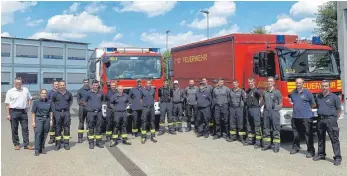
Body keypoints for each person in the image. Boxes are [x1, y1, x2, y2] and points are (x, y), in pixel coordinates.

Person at [313, 80, 342, 166]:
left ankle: (337, 158)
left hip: (331, 120)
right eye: (323, 86)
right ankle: (321, 154)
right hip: (321, 120)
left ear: (329, 87)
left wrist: (334, 119)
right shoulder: (318, 96)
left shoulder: (334, 97)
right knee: (321, 138)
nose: (324, 88)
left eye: (326, 86)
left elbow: (339, 110)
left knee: (334, 139)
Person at [288, 78, 315, 158]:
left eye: (300, 83)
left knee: (308, 134)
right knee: (296, 134)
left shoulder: (307, 93)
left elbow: (313, 104)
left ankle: (310, 151)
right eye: (297, 83)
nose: (298, 84)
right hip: (295, 116)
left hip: (306, 117)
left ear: (303, 83)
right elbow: (293, 102)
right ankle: (296, 147)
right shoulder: (293, 93)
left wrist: (306, 111)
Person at [4, 77, 34, 150]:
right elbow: (7, 104)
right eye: (17, 83)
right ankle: (16, 144)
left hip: (23, 112)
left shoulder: (25, 90)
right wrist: (8, 114)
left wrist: (28, 107)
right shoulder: (10, 91)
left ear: (22, 83)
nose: (18, 84)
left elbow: (30, 99)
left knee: (25, 128)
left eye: (20, 83)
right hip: (13, 112)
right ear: (14, 83)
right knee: (14, 128)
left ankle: (26, 144)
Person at [261, 77, 282, 153]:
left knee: (275, 129)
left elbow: (281, 103)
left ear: (274, 83)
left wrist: (276, 110)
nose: (269, 82)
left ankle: (276, 146)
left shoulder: (277, 92)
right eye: (268, 81)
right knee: (266, 129)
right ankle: (267, 145)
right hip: (266, 112)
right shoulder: (264, 92)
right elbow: (262, 102)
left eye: (271, 81)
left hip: (274, 112)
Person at [51, 80, 73, 150]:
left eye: (63, 85)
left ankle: (66, 144)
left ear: (65, 85)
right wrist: (55, 112)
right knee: (58, 128)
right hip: (58, 113)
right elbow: (52, 103)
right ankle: (58, 144)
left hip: (66, 113)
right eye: (61, 85)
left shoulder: (69, 93)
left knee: (67, 128)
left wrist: (67, 107)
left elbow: (71, 101)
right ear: (59, 86)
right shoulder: (55, 94)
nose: (62, 86)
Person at [83, 80, 105, 149]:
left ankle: (98, 142)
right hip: (91, 113)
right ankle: (91, 143)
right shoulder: (88, 93)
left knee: (99, 128)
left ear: (98, 85)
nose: (95, 86)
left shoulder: (101, 93)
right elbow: (83, 102)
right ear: (92, 85)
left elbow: (103, 100)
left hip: (99, 113)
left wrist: (101, 106)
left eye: (96, 85)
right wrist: (88, 108)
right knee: (91, 128)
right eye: (94, 85)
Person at [31, 89, 53, 156]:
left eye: (45, 93)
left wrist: (51, 120)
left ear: (46, 94)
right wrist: (33, 121)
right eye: (42, 93)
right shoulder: (36, 102)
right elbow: (33, 112)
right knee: (38, 134)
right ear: (40, 94)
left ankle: (42, 148)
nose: (44, 94)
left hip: (47, 119)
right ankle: (37, 149)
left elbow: (51, 111)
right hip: (39, 119)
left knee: (45, 134)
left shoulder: (49, 102)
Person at [245, 77, 263, 148]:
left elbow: (262, 97)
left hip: (255, 109)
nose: (250, 83)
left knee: (257, 126)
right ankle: (251, 140)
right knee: (249, 125)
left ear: (254, 82)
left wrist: (259, 106)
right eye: (249, 82)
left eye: (251, 82)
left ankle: (258, 142)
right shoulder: (248, 90)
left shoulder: (257, 90)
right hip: (249, 109)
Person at [228, 79, 247, 144]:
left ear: (238, 84)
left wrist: (242, 106)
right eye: (233, 83)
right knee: (232, 123)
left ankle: (241, 138)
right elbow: (229, 99)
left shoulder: (241, 91)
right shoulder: (231, 91)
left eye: (236, 83)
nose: (235, 85)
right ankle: (233, 137)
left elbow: (245, 100)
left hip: (239, 109)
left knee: (240, 123)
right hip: (232, 109)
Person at [140, 80, 157, 144]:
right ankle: (143, 137)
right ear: (145, 84)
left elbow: (153, 98)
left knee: (152, 122)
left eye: (149, 83)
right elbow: (140, 99)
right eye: (147, 83)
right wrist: (144, 105)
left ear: (150, 84)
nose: (148, 84)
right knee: (144, 122)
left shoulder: (153, 90)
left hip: (151, 108)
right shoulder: (143, 90)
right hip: (145, 108)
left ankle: (153, 136)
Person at [76, 78, 91, 143]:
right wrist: (83, 103)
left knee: (89, 123)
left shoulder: (91, 90)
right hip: (82, 108)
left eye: (87, 82)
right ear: (83, 83)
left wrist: (88, 104)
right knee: (81, 123)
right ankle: (80, 137)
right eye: (85, 82)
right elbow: (78, 101)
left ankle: (89, 136)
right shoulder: (80, 91)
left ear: (88, 82)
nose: (86, 83)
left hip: (89, 108)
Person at [47, 80, 59, 144]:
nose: (56, 85)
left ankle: (59, 137)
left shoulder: (61, 92)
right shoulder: (49, 93)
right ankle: (52, 138)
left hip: (59, 112)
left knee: (59, 125)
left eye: (57, 84)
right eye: (55, 84)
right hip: (51, 112)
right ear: (53, 85)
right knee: (52, 126)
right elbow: (47, 102)